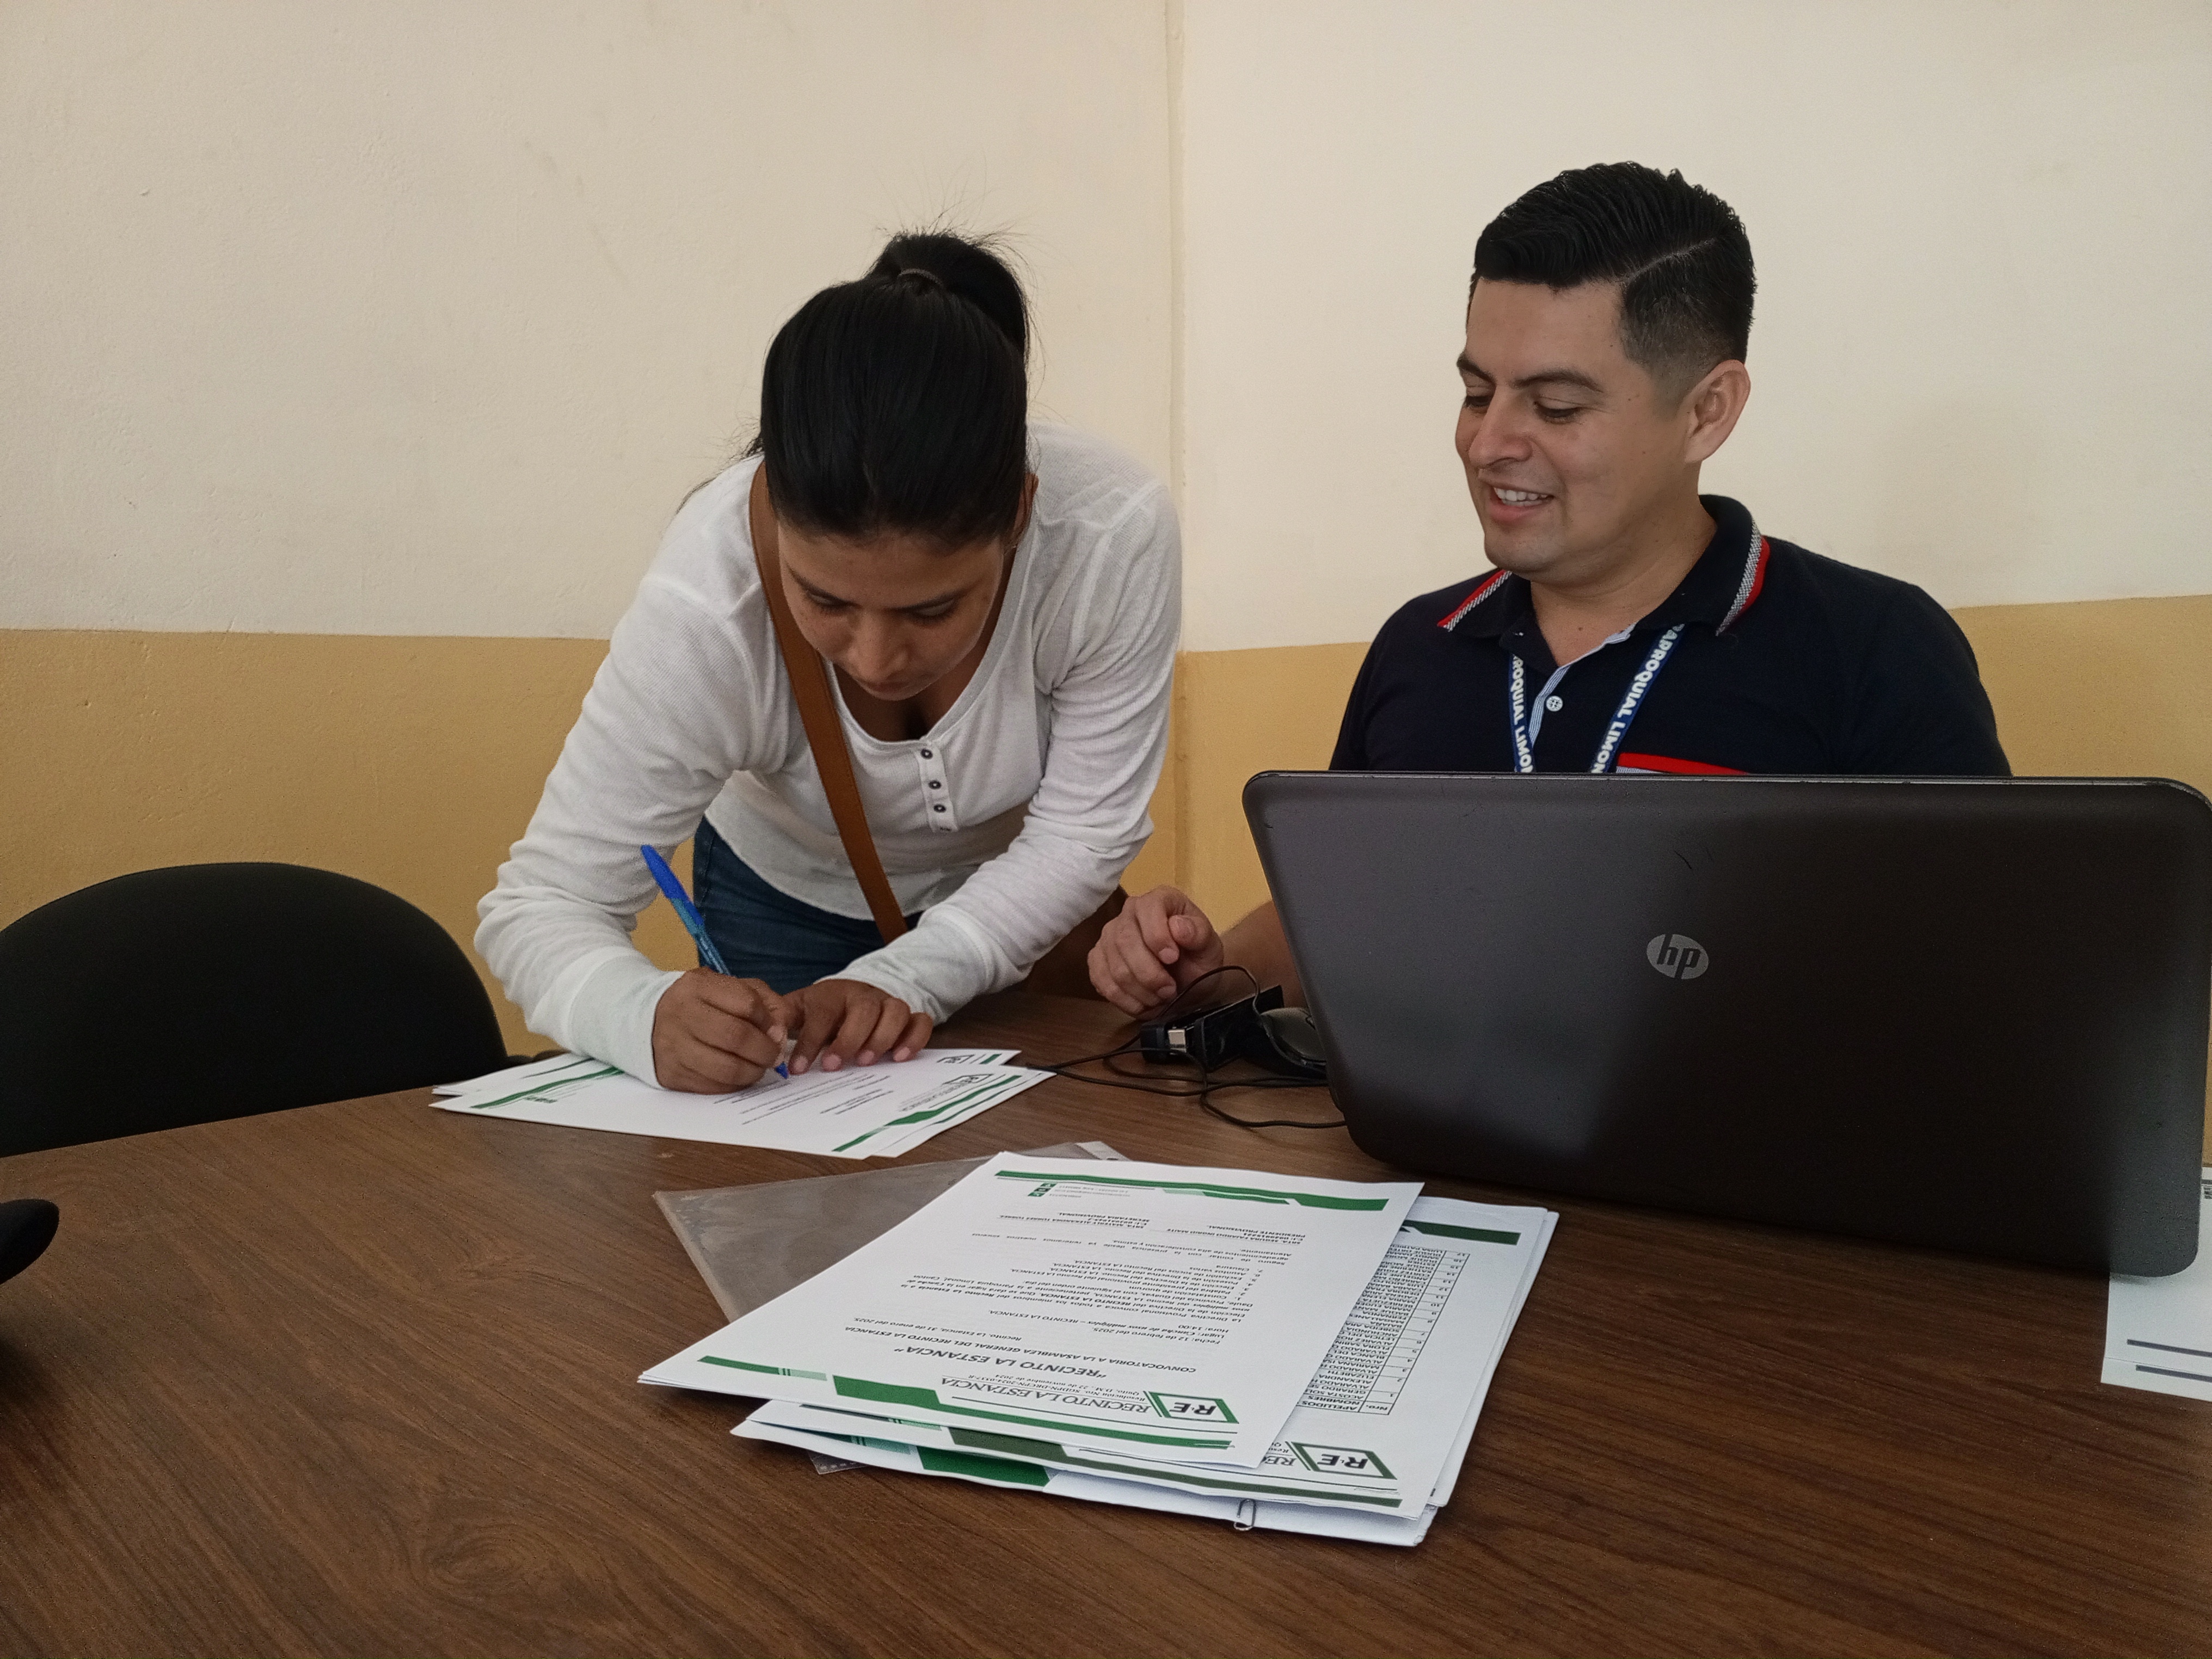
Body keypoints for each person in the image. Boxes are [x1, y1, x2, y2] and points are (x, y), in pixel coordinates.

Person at [1089, 162, 2008, 1018]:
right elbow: (1340, 912)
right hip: (1420, 1137)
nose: (1490, 443)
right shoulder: (1422, 645)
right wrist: (1211, 968)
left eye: (1557, 407)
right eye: (1476, 393)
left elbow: (1976, 977)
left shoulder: (1874, 647)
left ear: (1707, 411)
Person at [481, 232, 1178, 1091]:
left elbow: (1081, 833)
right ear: (773, 514)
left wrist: (908, 976)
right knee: (785, 1146)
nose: (877, 660)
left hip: (1029, 899)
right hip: (781, 897)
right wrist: (637, 1012)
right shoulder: (708, 596)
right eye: (825, 601)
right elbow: (545, 902)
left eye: (933, 609)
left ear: (1020, 515)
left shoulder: (1108, 536)